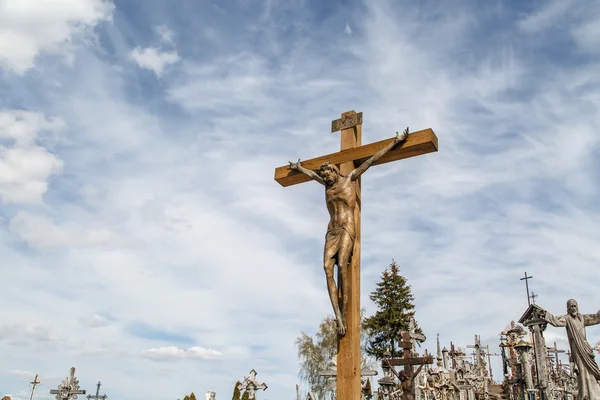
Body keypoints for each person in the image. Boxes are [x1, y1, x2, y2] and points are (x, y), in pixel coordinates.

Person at [289, 128, 409, 335]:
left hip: (346, 227)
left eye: (328, 174)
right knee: (327, 269)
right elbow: (310, 174)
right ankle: (337, 315)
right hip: (332, 231)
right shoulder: (326, 186)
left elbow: (370, 160)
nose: (325, 178)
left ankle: (344, 314)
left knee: (342, 265)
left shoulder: (349, 178)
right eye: (323, 175)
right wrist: (299, 168)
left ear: (335, 172)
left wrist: (395, 142)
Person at [544, 299, 600, 400]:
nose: (573, 308)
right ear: (568, 309)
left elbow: (596, 318)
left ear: (577, 307)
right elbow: (556, 321)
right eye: (571, 306)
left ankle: (594, 392)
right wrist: (545, 314)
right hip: (576, 347)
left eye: (575, 306)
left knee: (591, 369)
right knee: (582, 370)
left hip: (585, 346)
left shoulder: (583, 318)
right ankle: (585, 394)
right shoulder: (567, 319)